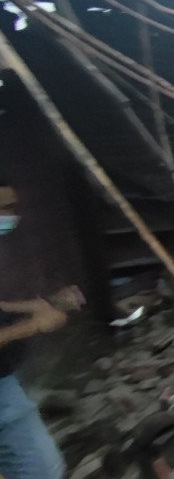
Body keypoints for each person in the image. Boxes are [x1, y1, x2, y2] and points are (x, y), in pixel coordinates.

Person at [0, 186, 84, 479]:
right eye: (3, 208)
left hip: (4, 383)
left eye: (12, 207)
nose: (10, 217)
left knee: (43, 467)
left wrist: (41, 305)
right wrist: (33, 325)